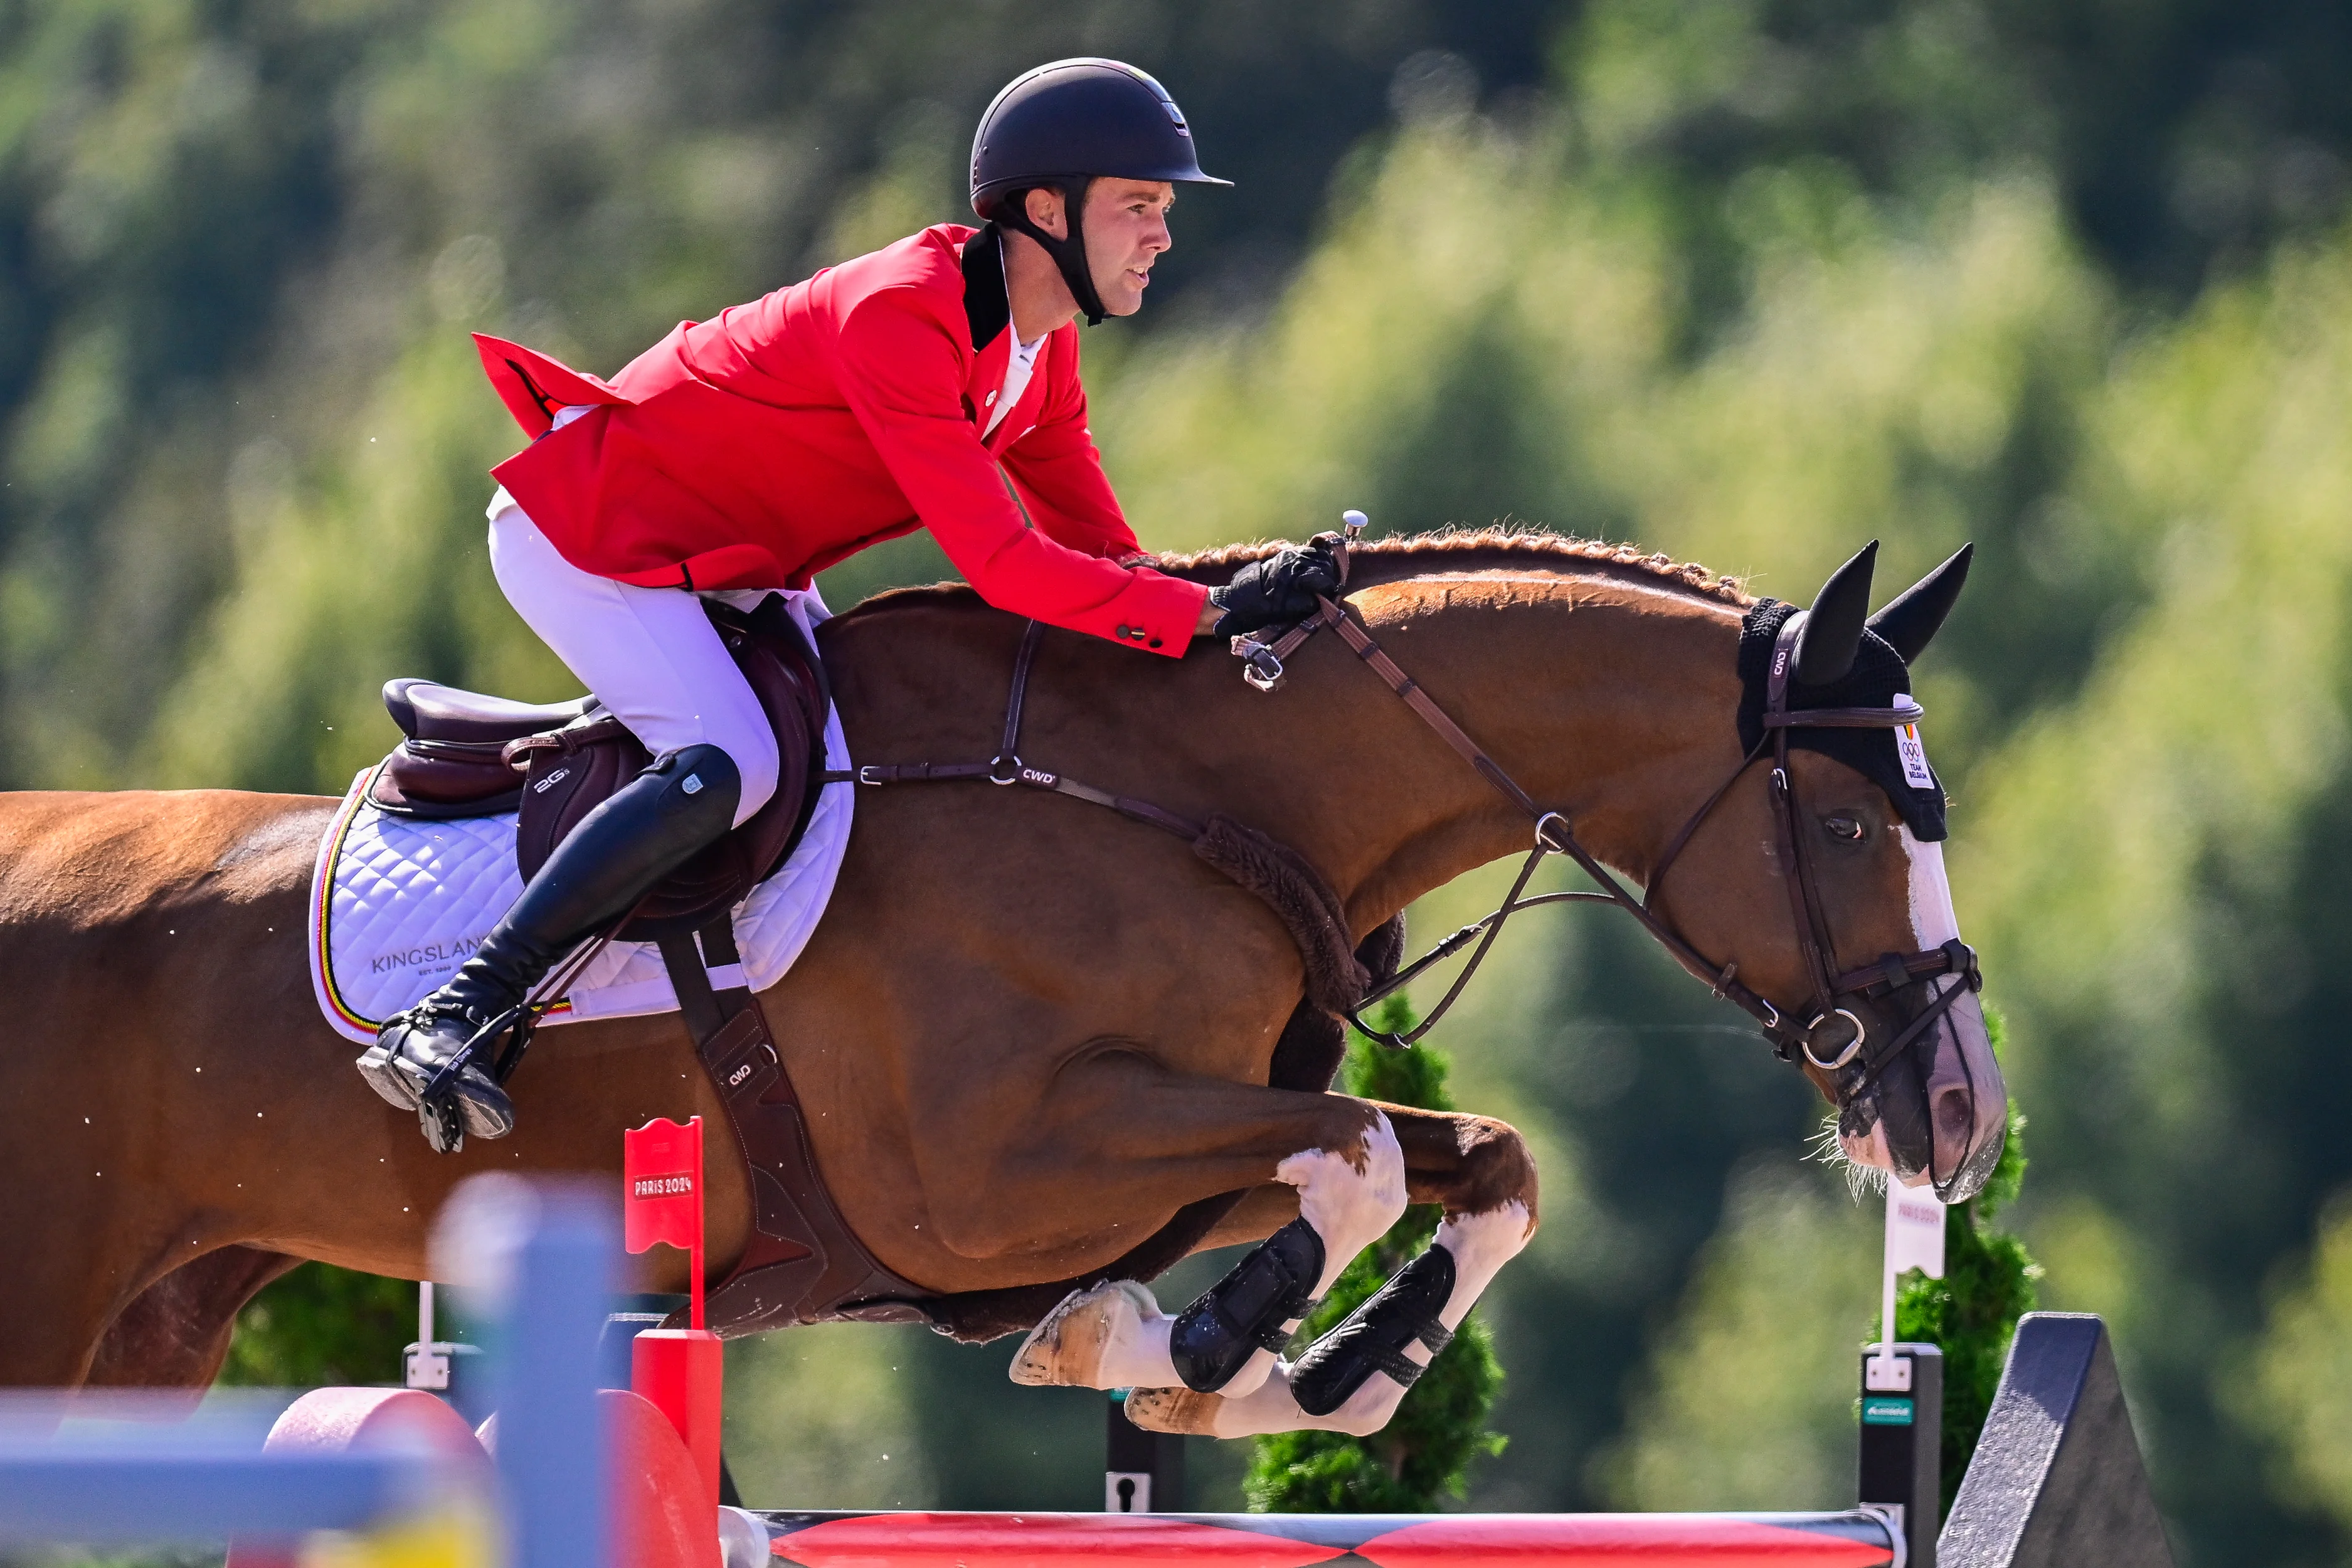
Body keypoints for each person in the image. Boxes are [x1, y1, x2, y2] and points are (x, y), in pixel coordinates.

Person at [357, 58, 1345, 1148]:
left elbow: (1105, 555)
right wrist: (1204, 616)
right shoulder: (899, 313)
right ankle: (455, 1014)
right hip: (590, 540)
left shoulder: (1038, 351)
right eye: (1139, 207)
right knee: (739, 758)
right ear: (1046, 210)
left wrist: (1233, 600)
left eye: (1162, 212)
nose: (1162, 235)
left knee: (868, 757)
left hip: (735, 561)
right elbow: (1009, 569)